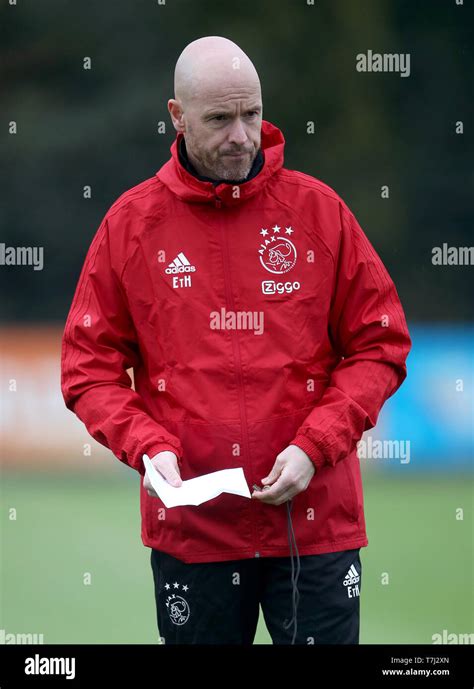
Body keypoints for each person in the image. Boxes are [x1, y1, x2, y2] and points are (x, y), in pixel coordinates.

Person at [60, 35, 412, 645]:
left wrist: (314, 445)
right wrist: (146, 446)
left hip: (314, 528)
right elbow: (87, 368)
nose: (241, 137)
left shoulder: (319, 213)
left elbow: (380, 344)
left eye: (252, 114)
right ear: (177, 117)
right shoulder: (130, 226)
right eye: (220, 120)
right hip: (196, 535)